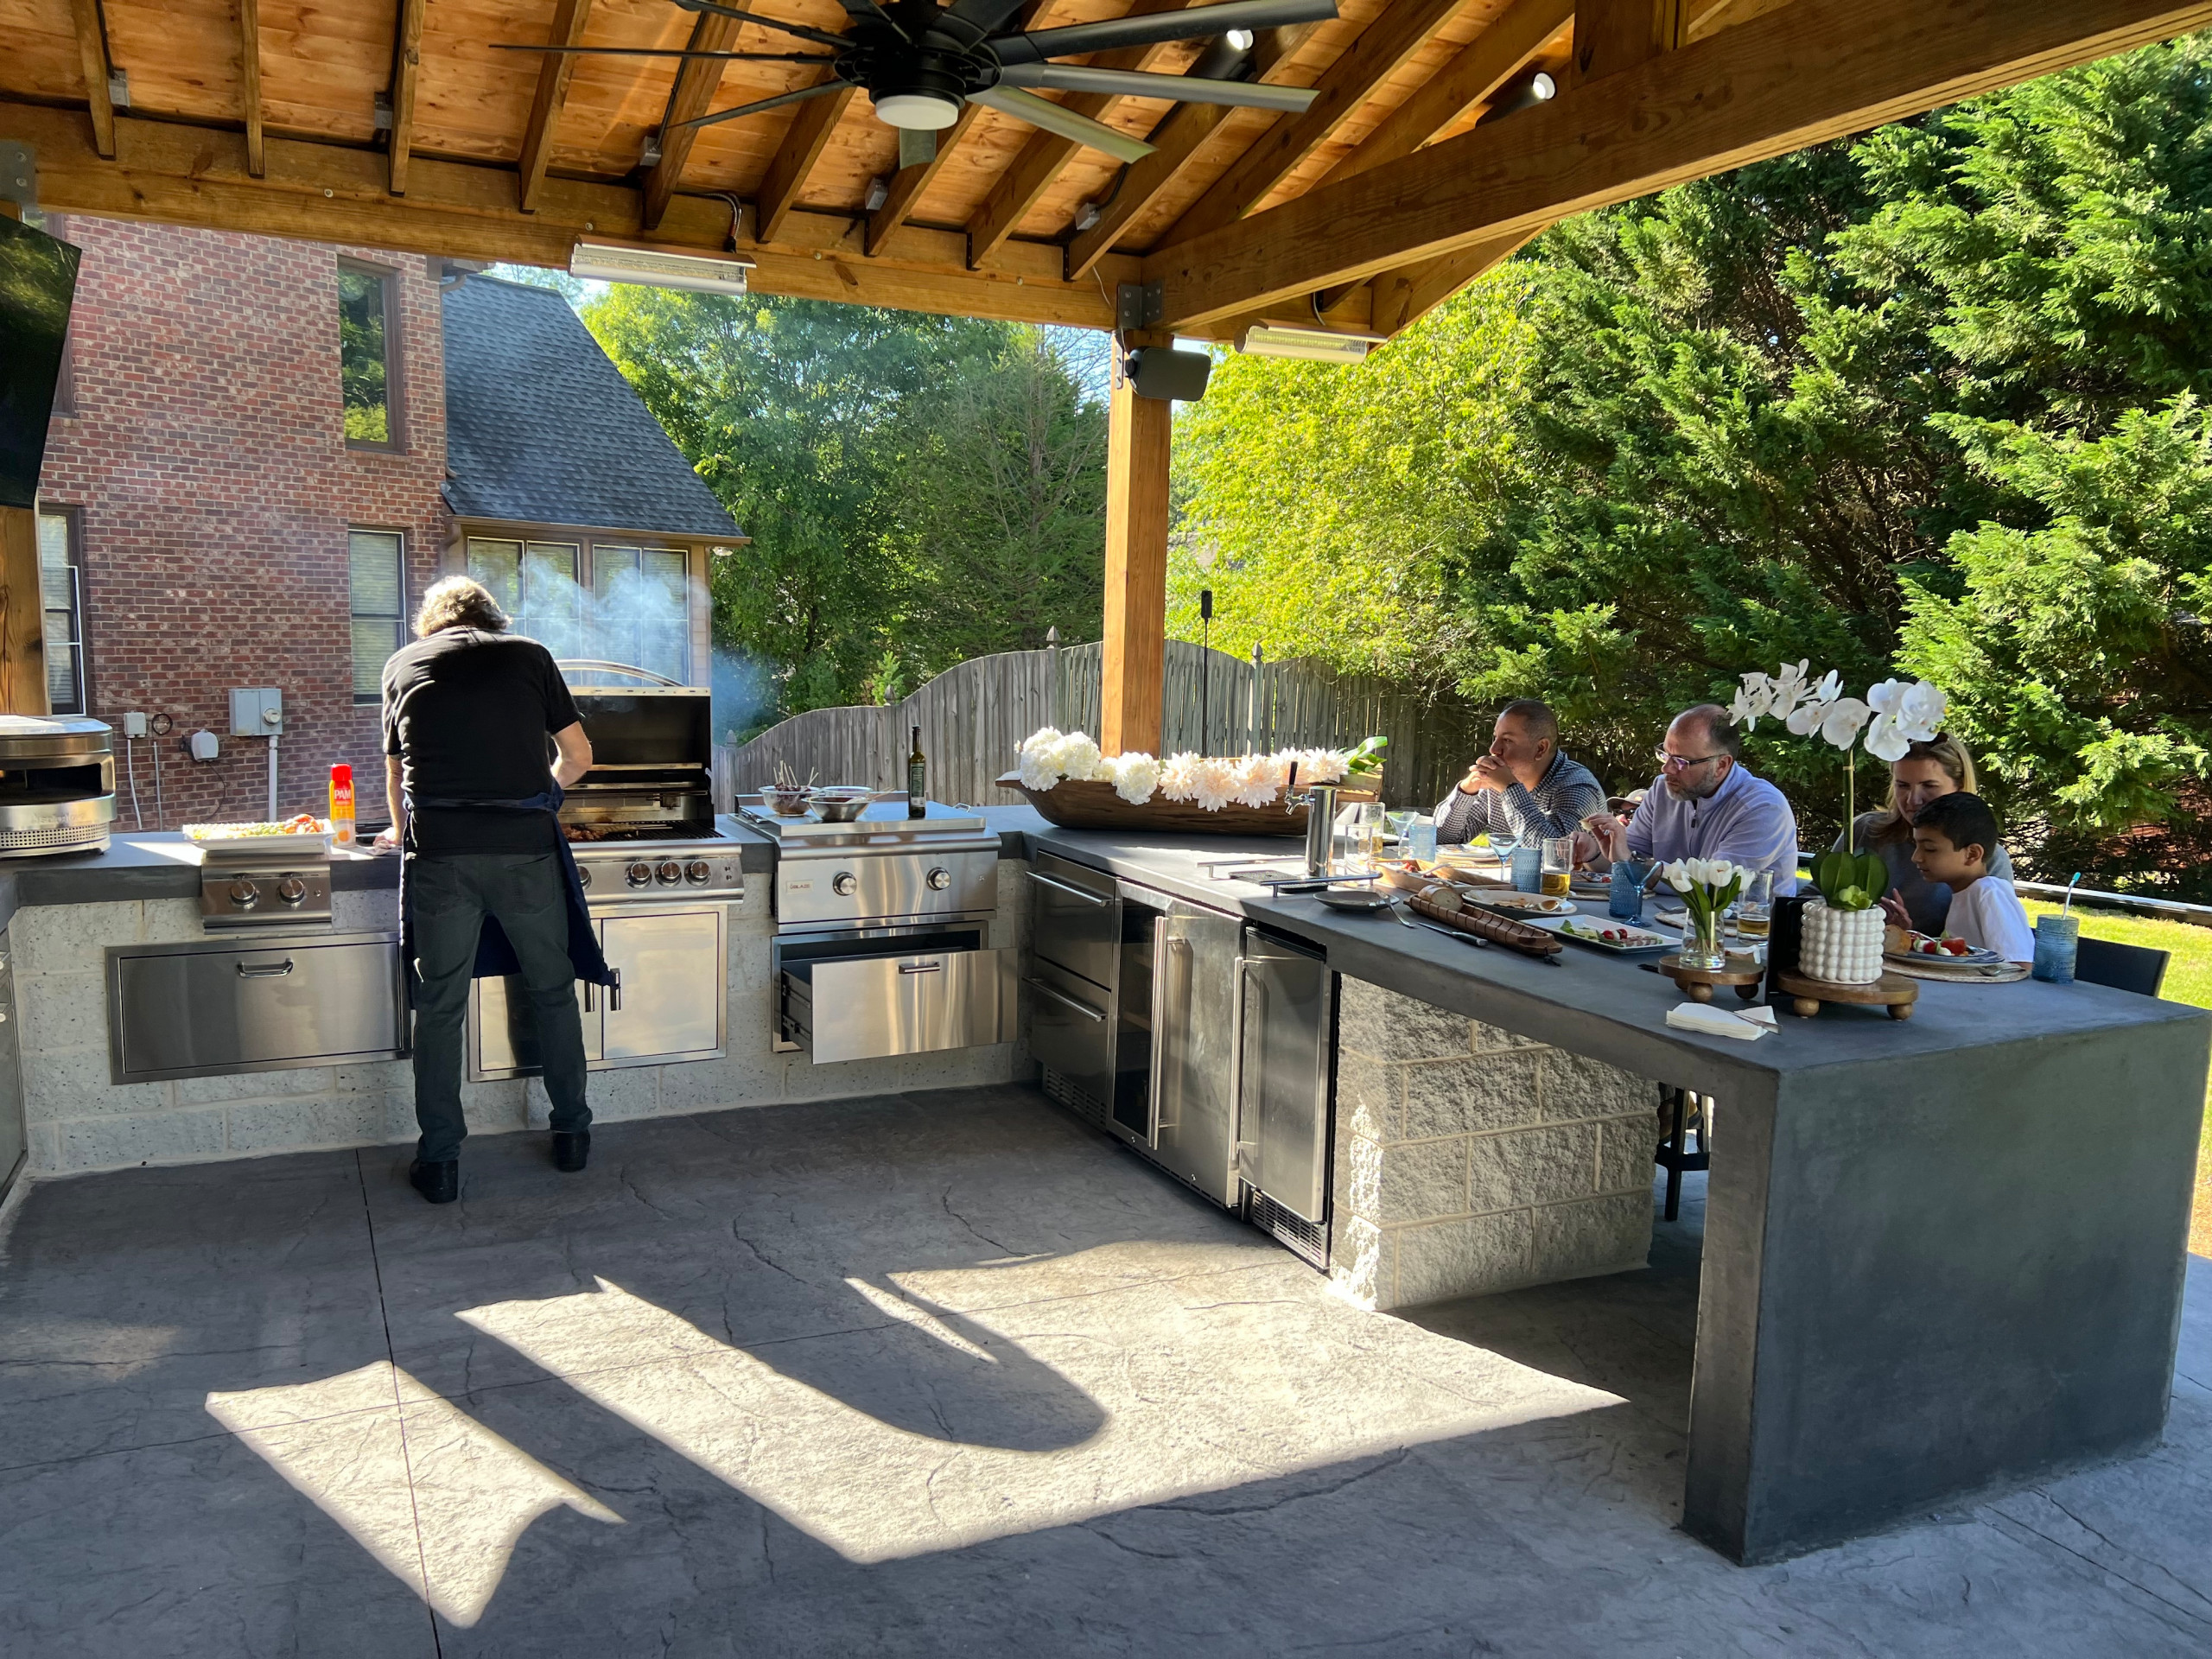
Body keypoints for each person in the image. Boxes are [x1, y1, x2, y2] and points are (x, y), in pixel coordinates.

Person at [377, 576, 609, 1205]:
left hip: (442, 854)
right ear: (491, 618)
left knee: (441, 1006)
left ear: (433, 625)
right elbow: (579, 754)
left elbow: (397, 776)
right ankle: (572, 1137)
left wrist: (397, 833)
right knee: (553, 991)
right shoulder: (530, 656)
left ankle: (442, 1161)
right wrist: (544, 799)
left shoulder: (401, 665)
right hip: (523, 849)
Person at [1587, 704, 1799, 893]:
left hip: (1748, 931)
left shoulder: (1763, 808)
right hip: (1667, 923)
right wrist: (1594, 855)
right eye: (1665, 754)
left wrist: (1631, 863)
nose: (1666, 768)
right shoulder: (1663, 789)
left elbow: (1714, 885)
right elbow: (1628, 856)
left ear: (1722, 765)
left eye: (1681, 761)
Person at [1830, 734, 2012, 935]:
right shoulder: (1866, 829)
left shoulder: (1989, 859)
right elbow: (1814, 896)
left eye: (1929, 786)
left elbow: (1990, 947)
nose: (1913, 800)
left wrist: (1906, 936)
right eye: (1903, 786)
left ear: (1959, 787)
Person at [1433, 699, 1608, 849]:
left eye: (1507, 740)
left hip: (1570, 889)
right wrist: (1466, 791)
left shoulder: (1578, 787)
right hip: (1502, 885)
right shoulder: (1497, 782)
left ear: (1541, 748)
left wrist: (1510, 789)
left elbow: (1556, 855)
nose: (1494, 749)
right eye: (1495, 737)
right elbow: (1441, 840)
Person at [1909, 792, 2034, 963]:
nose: (1916, 857)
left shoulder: (1990, 893)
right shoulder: (1965, 893)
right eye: (1917, 846)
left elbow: (2019, 964)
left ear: (1972, 854)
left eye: (1930, 849)